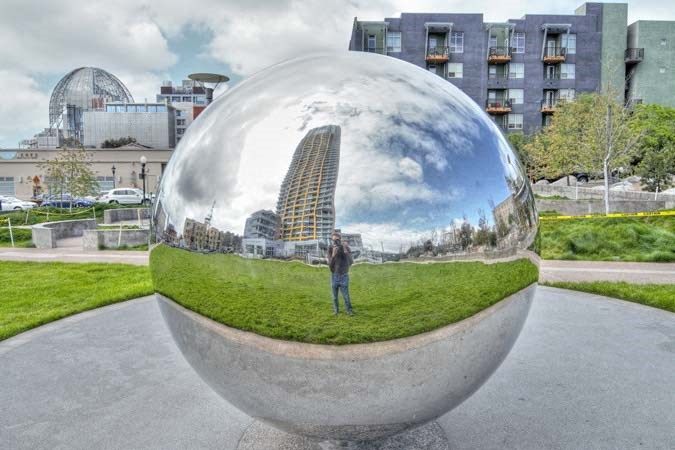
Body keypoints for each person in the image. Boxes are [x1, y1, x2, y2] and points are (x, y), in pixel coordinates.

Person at [327, 230, 354, 316]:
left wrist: (345, 250)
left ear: (340, 240)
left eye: (337, 240)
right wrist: (333, 255)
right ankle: (336, 311)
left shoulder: (345, 248)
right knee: (335, 297)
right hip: (334, 276)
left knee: (346, 296)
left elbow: (351, 262)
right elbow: (330, 266)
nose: (335, 242)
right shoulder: (330, 249)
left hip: (344, 276)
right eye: (333, 240)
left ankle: (349, 310)